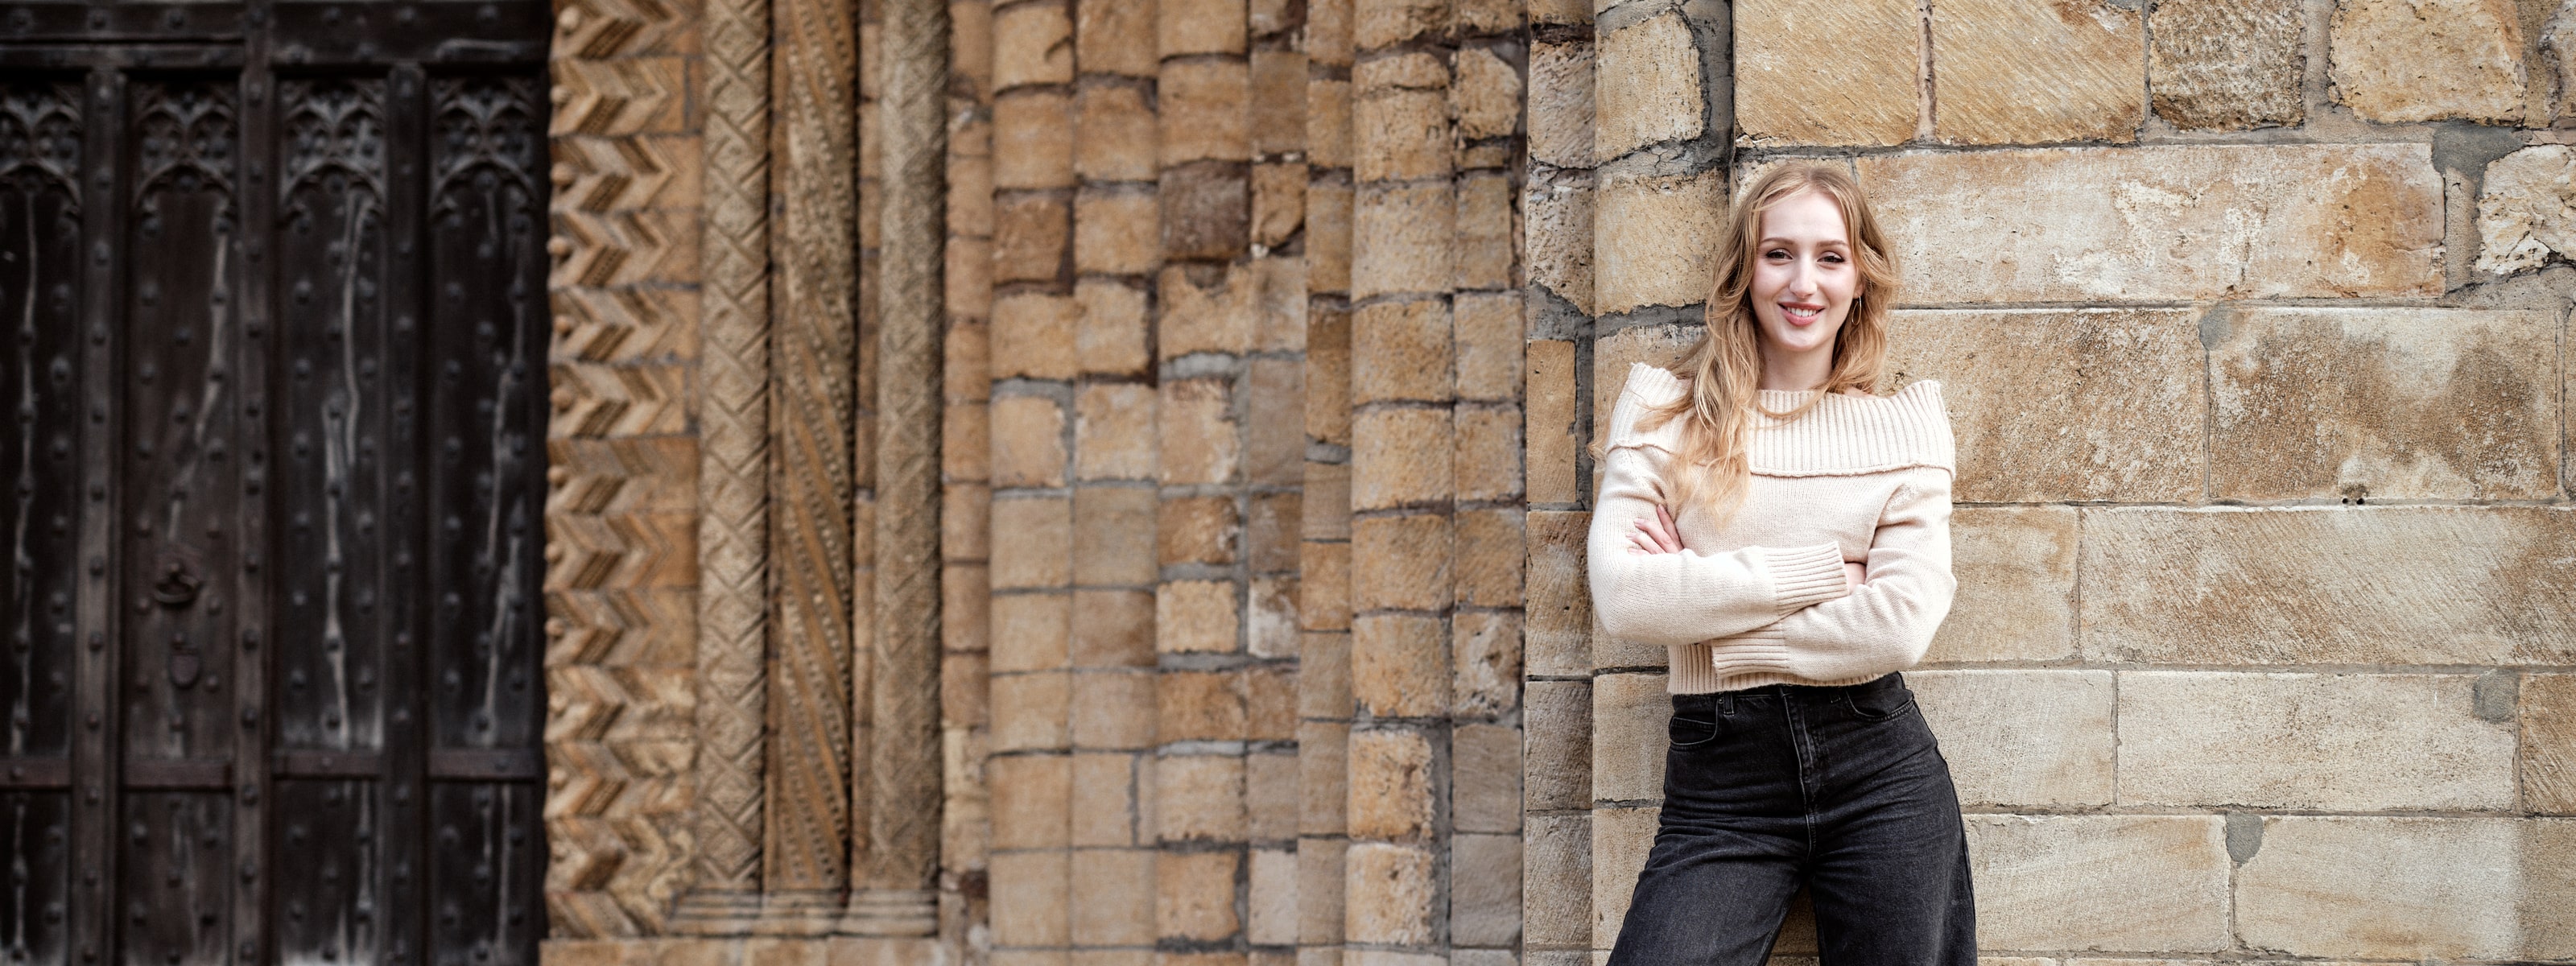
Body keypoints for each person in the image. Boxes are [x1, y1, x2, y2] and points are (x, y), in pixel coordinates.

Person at [1588, 162, 1969, 965]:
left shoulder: (1903, 429)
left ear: (1860, 277)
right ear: (1743, 271)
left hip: (1881, 773)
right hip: (1721, 788)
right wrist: (1828, 572)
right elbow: (1625, 599)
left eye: (1830, 257)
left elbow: (1899, 626)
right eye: (1778, 255)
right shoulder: (1661, 415)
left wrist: (1711, 622)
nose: (1804, 282)